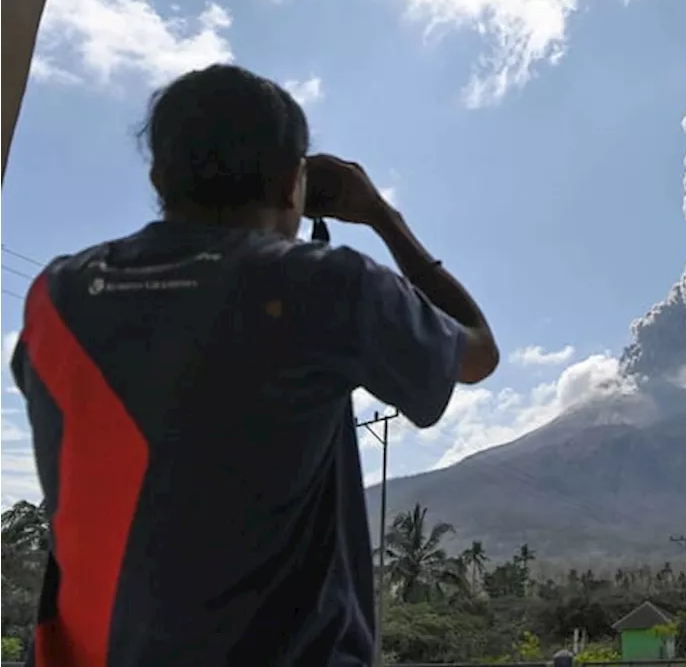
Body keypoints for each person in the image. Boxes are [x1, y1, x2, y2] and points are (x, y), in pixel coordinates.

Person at [8, 64, 500, 666]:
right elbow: (478, 353)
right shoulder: (326, 286)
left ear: (160, 176)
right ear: (295, 180)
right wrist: (380, 215)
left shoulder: (57, 295)